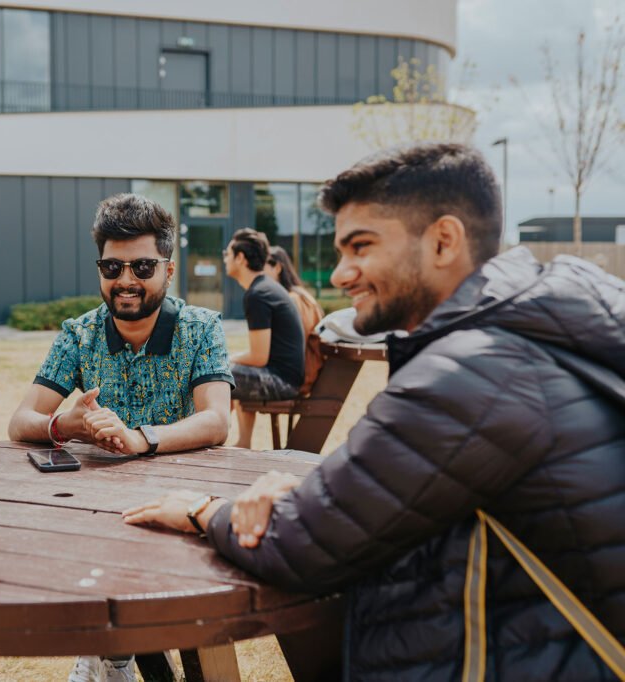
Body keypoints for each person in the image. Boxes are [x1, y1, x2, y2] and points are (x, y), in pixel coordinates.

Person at [123, 143, 625, 680]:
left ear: (443, 241)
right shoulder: (544, 322)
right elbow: (410, 490)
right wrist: (307, 496)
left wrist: (203, 511)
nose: (341, 274)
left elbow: (304, 542)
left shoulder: (470, 373)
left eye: (360, 247)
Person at [8, 192, 233, 682]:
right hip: (94, 509)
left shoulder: (201, 328)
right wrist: (63, 425)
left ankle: (109, 652)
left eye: (142, 267)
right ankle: (112, 652)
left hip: (180, 498)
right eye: (112, 268)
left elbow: (216, 420)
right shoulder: (79, 333)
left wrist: (139, 438)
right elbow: (21, 421)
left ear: (168, 271)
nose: (126, 281)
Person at [223, 229, 305, 448]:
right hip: (286, 376)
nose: (225, 259)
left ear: (240, 258)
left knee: (219, 374)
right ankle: (243, 442)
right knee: (228, 371)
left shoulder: (258, 294)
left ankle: (212, 435)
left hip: (282, 381)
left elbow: (259, 357)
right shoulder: (265, 288)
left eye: (227, 254)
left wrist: (229, 358)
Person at [265, 245, 324, 394]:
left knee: (236, 383)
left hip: (299, 375)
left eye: (261, 267)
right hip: (312, 369)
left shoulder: (290, 301)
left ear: (277, 268)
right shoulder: (303, 295)